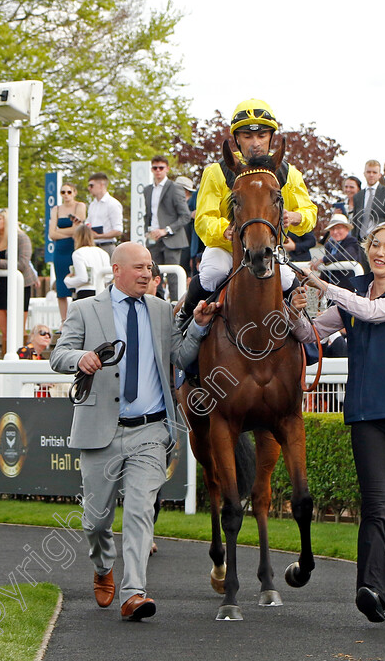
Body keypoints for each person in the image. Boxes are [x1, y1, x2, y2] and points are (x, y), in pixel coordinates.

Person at [49, 242, 219, 620]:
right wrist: (82, 358)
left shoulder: (162, 311)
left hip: (151, 430)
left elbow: (179, 355)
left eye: (150, 267)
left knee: (141, 512)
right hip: (100, 431)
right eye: (140, 267)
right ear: (117, 270)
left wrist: (200, 328)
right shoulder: (84, 309)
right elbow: (58, 355)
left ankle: (134, 592)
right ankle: (102, 567)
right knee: (95, 522)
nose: (147, 273)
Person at [289, 221, 385, 623]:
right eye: (375, 246)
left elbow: (372, 313)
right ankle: (370, 589)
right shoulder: (353, 297)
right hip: (367, 418)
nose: (379, 253)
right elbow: (309, 333)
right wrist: (296, 308)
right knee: (374, 505)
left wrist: (324, 285)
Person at [177, 100, 317, 322]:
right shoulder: (216, 172)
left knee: (290, 282)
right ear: (237, 139)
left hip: (268, 249)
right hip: (226, 250)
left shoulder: (289, 173)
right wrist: (225, 231)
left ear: (271, 137)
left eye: (262, 135)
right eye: (247, 136)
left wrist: (297, 216)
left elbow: (309, 211)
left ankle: (310, 341)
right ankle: (182, 324)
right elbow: (203, 219)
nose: (255, 143)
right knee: (213, 273)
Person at [0, 209, 38, 355]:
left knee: (18, 330)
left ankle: (24, 359)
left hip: (20, 285)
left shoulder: (21, 238)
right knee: (5, 331)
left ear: (7, 221)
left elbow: (22, 263)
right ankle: (5, 359)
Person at [143, 157, 191, 301]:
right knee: (153, 276)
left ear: (167, 169)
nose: (158, 171)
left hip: (172, 238)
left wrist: (166, 230)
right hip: (154, 239)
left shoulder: (175, 188)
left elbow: (185, 216)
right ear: (151, 169)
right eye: (155, 168)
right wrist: (148, 231)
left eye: (161, 168)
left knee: (173, 278)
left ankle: (176, 311)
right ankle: (155, 306)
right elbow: (149, 214)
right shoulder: (147, 190)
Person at [49, 182, 87, 323]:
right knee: (61, 285)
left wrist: (59, 231)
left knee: (76, 281)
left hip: (74, 247)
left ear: (74, 192)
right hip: (60, 249)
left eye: (69, 192)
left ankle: (76, 319)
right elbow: (51, 234)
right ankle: (63, 320)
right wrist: (67, 232)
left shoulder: (80, 206)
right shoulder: (56, 209)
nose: (66, 195)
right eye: (63, 192)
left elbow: (77, 230)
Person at [351, 161, 385, 243]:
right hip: (360, 242)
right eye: (368, 172)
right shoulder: (358, 196)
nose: (371, 175)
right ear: (364, 173)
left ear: (379, 175)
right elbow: (355, 221)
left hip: (379, 241)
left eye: (374, 172)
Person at [311, 214, 361, 289]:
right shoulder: (328, 245)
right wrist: (321, 285)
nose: (335, 232)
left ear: (347, 229)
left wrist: (323, 259)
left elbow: (348, 255)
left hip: (347, 289)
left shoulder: (352, 242)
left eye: (339, 228)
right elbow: (327, 268)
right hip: (330, 289)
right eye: (332, 229)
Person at [64, 224, 111, 300]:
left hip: (85, 293)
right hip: (101, 291)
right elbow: (108, 276)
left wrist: (68, 280)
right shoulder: (103, 253)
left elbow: (83, 278)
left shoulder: (78, 253)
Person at [85, 172, 123, 257]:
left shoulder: (113, 204)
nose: (89, 188)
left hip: (107, 246)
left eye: (91, 185)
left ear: (101, 185)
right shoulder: (92, 204)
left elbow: (118, 230)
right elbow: (88, 223)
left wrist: (99, 236)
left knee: (108, 270)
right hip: (93, 247)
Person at [18, 323, 53, 396]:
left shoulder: (41, 358)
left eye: (49, 335)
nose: (47, 336)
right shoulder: (24, 352)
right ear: (33, 335)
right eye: (42, 333)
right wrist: (40, 382)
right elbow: (22, 373)